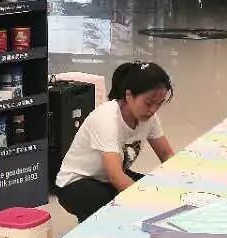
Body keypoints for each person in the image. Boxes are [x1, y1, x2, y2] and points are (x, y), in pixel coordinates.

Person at [55, 62, 174, 222]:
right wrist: (147, 205)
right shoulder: (107, 117)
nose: (153, 110)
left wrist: (179, 185)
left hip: (106, 177)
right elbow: (116, 176)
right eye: (149, 103)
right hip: (76, 183)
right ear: (129, 95)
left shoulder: (149, 117)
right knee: (116, 204)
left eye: (159, 104)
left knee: (155, 189)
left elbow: (166, 154)